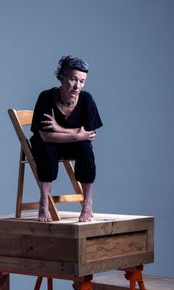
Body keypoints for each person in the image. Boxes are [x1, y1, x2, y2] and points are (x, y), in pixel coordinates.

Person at [30, 55, 103, 222]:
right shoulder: (46, 98)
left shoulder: (86, 99)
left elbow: (89, 134)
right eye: (73, 79)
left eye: (82, 81)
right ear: (61, 78)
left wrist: (59, 128)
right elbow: (46, 136)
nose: (77, 86)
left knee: (86, 147)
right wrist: (77, 134)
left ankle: (87, 203)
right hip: (46, 145)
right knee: (49, 148)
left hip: (73, 146)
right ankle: (43, 203)